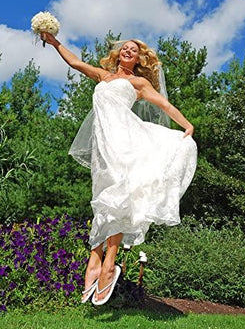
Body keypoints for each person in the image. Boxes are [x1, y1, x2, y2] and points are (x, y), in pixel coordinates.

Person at [41, 32, 197, 305]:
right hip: (104, 145)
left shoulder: (138, 82)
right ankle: (95, 257)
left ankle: (107, 263)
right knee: (104, 196)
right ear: (118, 54)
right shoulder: (103, 76)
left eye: (133, 50)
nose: (127, 51)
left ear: (138, 58)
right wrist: (55, 43)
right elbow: (76, 64)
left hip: (126, 140)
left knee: (120, 194)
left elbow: (165, 105)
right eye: (124, 48)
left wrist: (187, 125)